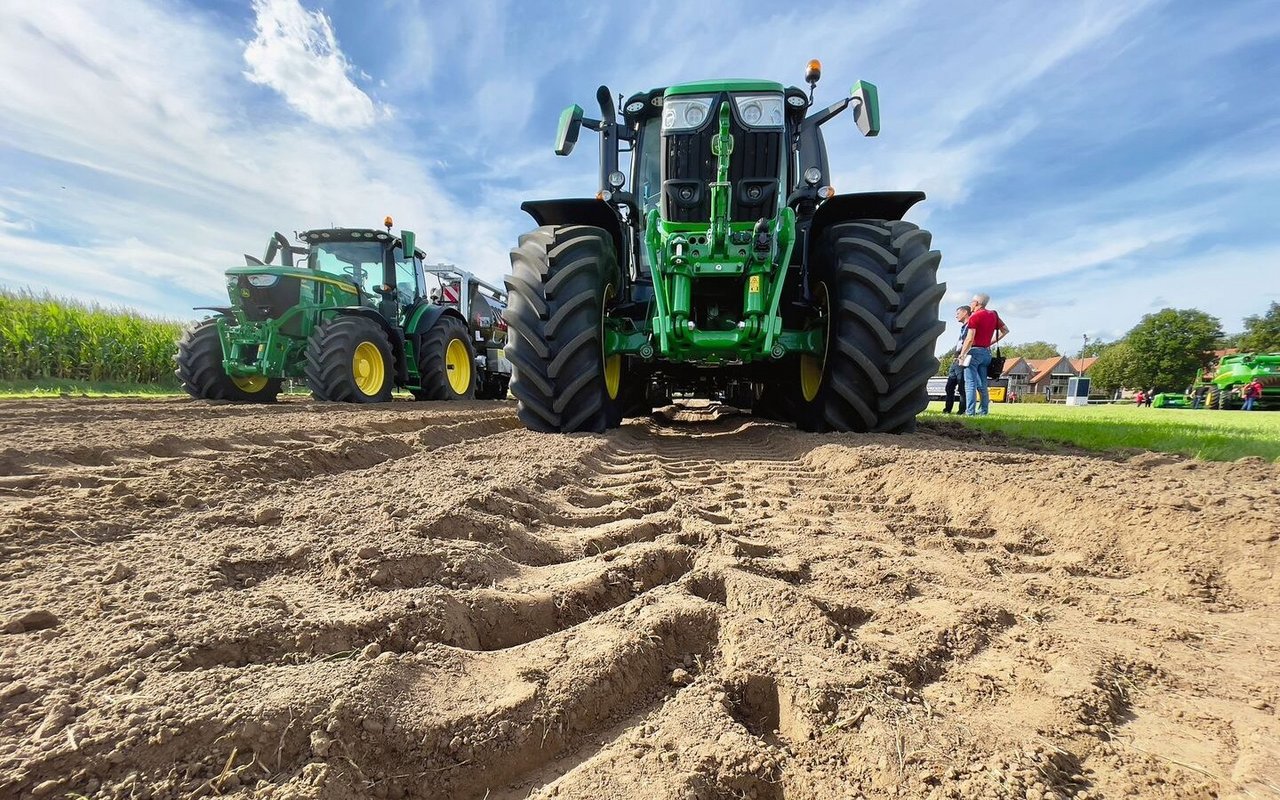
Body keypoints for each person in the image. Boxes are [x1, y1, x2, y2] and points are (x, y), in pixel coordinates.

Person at [957, 293, 1009, 416]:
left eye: (972, 302)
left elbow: (969, 338)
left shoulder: (974, 317)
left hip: (973, 352)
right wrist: (989, 343)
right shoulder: (993, 315)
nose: (970, 304)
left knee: (970, 384)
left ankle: (970, 412)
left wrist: (962, 354)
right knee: (983, 385)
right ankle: (983, 411)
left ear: (977, 303)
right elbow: (1005, 330)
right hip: (986, 353)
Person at [942, 305, 970, 414]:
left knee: (962, 387)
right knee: (949, 387)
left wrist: (962, 356)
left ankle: (961, 411)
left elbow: (968, 342)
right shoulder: (963, 328)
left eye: (958, 313)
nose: (956, 316)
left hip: (962, 360)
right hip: (956, 360)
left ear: (965, 313)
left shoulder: (970, 327)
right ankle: (947, 409)